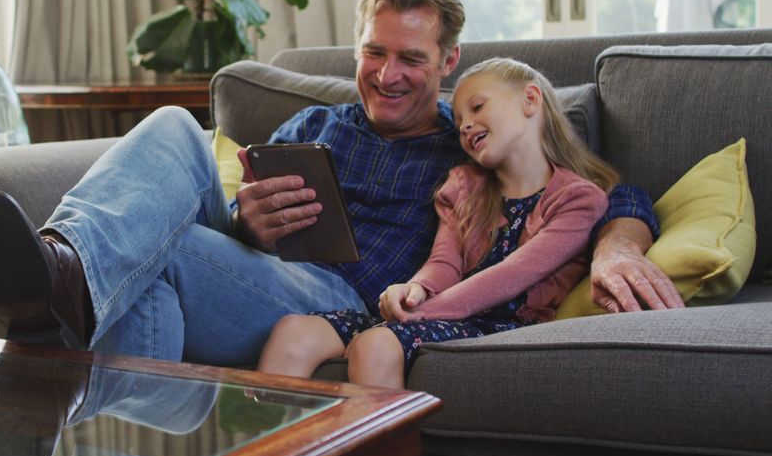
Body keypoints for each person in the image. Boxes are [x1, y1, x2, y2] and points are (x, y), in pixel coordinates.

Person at [0, 0, 683, 367]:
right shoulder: (313, 125)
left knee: (154, 253)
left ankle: (62, 296)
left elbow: (611, 188)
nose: (388, 74)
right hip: (257, 275)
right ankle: (66, 268)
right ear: (356, 46)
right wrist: (248, 220)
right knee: (176, 129)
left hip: (343, 304)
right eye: (374, 52)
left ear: (448, 63)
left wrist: (618, 240)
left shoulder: (469, 143)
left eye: (411, 59)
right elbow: (237, 225)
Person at [257, 58, 613, 388]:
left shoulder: (578, 199)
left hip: (502, 326)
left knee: (376, 344)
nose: (466, 125)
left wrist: (422, 313)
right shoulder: (463, 187)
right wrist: (413, 291)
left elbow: (514, 274)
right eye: (458, 123)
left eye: (477, 107)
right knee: (294, 331)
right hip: (436, 317)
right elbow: (444, 262)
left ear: (530, 100)